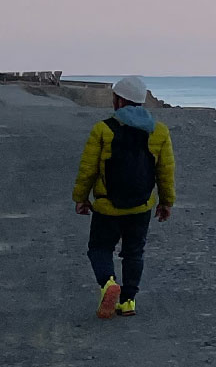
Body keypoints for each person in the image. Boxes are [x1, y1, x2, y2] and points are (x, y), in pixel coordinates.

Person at [73, 75, 177, 319]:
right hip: (141, 206)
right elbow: (165, 171)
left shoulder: (103, 129)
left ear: (119, 101)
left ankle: (109, 284)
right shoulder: (159, 131)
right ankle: (128, 301)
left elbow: (88, 169)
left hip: (108, 206)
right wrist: (166, 202)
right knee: (134, 252)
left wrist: (81, 198)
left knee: (99, 248)